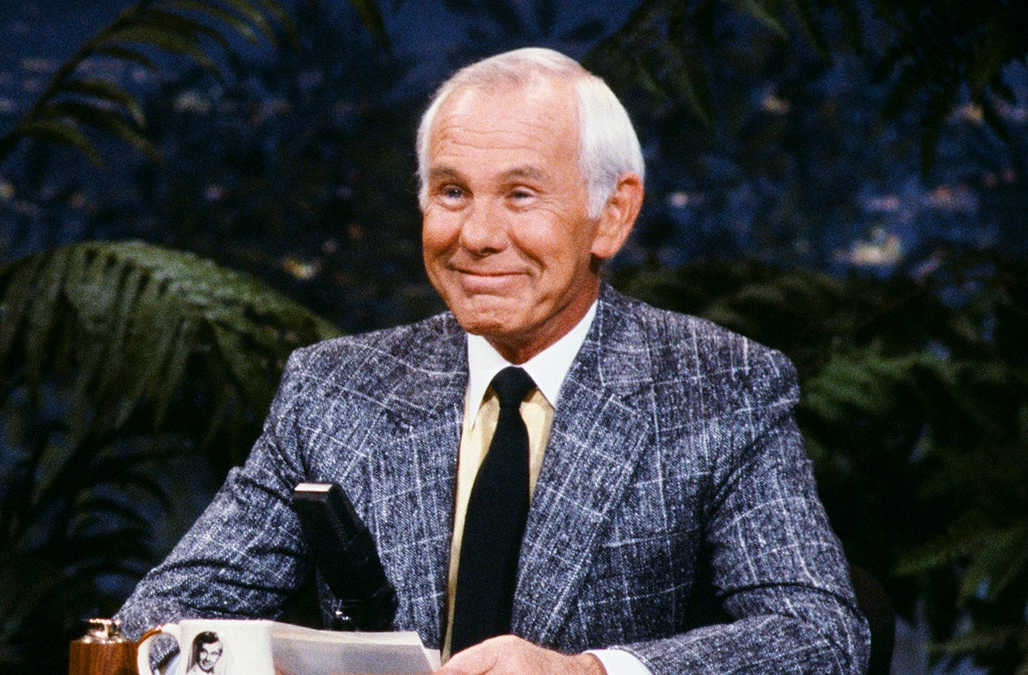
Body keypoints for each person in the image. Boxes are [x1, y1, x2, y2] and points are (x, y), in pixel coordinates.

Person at [117, 47, 869, 674]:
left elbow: (818, 634)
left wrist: (588, 672)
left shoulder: (721, 387)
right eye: (451, 191)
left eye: (520, 194)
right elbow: (153, 624)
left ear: (612, 213)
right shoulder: (334, 390)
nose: (476, 234)